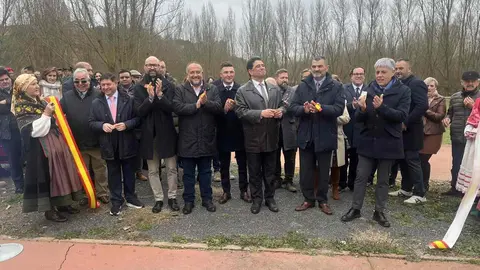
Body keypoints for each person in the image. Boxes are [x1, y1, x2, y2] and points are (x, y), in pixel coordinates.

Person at [341, 58, 411, 228]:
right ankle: (355, 208)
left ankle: (379, 211)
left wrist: (382, 108)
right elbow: (358, 119)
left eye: (383, 72)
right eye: (377, 72)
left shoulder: (404, 91)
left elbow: (402, 116)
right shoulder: (369, 89)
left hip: (389, 141)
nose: (379, 75)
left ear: (393, 72)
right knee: (361, 176)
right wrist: (363, 110)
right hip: (367, 141)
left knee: (383, 180)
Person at [13, 74, 83, 222]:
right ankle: (50, 210)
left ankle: (64, 203)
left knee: (62, 173)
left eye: (37, 83)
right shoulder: (21, 106)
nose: (37, 86)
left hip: (55, 142)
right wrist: (46, 114)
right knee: (50, 176)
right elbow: (34, 131)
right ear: (24, 88)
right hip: (41, 148)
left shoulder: (39, 101)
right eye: (32, 84)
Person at [290, 56, 345, 215]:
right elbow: (293, 107)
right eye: (314, 66)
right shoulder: (303, 86)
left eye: (320, 66)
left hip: (326, 135)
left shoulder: (336, 86)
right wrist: (304, 110)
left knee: (323, 171)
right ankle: (308, 199)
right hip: (306, 135)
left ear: (326, 67)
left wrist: (320, 108)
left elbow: (339, 109)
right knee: (306, 171)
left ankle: (322, 200)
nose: (316, 69)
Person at [235, 57, 285, 214]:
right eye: (258, 66)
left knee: (270, 171)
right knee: (255, 172)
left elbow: (283, 105)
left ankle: (270, 198)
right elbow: (240, 111)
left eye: (263, 65)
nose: (262, 68)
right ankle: (257, 199)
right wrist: (260, 113)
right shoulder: (243, 91)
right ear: (250, 71)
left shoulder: (274, 88)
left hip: (271, 136)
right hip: (253, 138)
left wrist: (280, 112)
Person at [89, 73, 144, 216]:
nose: (106, 87)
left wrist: (127, 124)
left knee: (129, 172)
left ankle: (131, 197)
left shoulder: (129, 100)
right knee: (113, 174)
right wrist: (102, 125)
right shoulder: (96, 102)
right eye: (103, 85)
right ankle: (116, 201)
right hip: (108, 144)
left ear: (116, 83)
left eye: (109, 84)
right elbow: (91, 122)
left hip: (127, 141)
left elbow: (138, 119)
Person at [173, 62, 222, 214]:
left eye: (198, 72)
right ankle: (189, 201)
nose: (195, 75)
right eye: (192, 72)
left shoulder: (211, 88)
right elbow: (177, 107)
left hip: (206, 138)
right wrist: (196, 106)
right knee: (188, 174)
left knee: (206, 172)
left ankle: (207, 199)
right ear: (187, 74)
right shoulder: (180, 89)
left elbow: (219, 108)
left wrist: (206, 103)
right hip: (187, 139)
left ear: (203, 73)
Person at [134, 56, 179, 213]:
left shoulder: (169, 86)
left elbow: (172, 108)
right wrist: (150, 98)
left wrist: (160, 96)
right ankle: (158, 199)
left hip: (166, 133)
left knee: (172, 168)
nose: (152, 68)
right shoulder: (138, 87)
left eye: (155, 65)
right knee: (152, 170)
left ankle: (172, 197)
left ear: (160, 67)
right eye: (149, 65)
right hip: (148, 135)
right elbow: (139, 111)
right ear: (144, 67)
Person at [60, 68, 109, 205]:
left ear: (89, 80)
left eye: (84, 81)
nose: (80, 83)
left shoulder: (99, 94)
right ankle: (86, 194)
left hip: (97, 140)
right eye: (77, 81)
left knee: (100, 169)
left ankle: (102, 193)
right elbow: (59, 114)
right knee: (82, 171)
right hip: (77, 142)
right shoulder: (67, 96)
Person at [389, 59, 429, 204]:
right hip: (400, 130)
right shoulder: (399, 84)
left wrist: (406, 122)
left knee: (412, 161)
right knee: (403, 160)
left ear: (409, 69)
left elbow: (422, 106)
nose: (398, 71)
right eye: (396, 68)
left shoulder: (416, 83)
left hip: (412, 129)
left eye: (401, 68)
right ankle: (406, 189)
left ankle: (420, 193)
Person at [212, 62, 250, 204]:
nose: (229, 75)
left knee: (242, 164)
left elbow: (246, 110)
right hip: (222, 131)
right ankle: (226, 191)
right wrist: (224, 109)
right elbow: (212, 111)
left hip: (239, 132)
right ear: (221, 74)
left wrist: (236, 107)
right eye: (226, 72)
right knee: (224, 165)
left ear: (234, 74)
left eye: (231, 72)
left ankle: (244, 190)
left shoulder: (241, 89)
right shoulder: (215, 89)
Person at [442, 71, 480, 196]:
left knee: (474, 166)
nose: (469, 83)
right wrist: (447, 119)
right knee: (456, 163)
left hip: (475, 138)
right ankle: (455, 188)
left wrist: (473, 106)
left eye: (472, 81)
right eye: (467, 81)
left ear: (477, 82)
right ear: (462, 82)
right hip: (457, 135)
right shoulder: (454, 97)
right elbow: (450, 113)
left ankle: (473, 193)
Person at [341, 67, 366, 191]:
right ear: (351, 76)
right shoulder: (343, 89)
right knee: (343, 157)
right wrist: (352, 105)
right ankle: (341, 183)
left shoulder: (369, 89)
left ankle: (352, 183)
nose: (358, 76)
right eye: (356, 74)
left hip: (362, 129)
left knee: (357, 159)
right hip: (346, 128)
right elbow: (340, 106)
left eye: (361, 74)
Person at [419, 77, 446, 192]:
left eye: (431, 86)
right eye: (427, 85)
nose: (429, 88)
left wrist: (424, 109)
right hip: (420, 132)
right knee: (417, 159)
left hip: (433, 134)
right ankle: (418, 183)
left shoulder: (440, 99)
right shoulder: (420, 98)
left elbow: (439, 117)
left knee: (423, 159)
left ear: (435, 87)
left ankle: (424, 184)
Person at [0, 68, 24, 193]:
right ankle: (19, 185)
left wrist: (6, 102)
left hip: (23, 128)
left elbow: (22, 102)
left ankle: (32, 182)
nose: (5, 82)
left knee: (26, 156)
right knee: (13, 159)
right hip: (6, 132)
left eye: (6, 79)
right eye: (1, 80)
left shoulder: (18, 89)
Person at [274, 69, 297, 192]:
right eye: (282, 77)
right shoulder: (272, 91)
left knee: (290, 156)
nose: (285, 80)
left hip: (289, 127)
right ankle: (277, 179)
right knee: (275, 155)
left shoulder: (293, 91)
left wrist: (281, 109)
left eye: (286, 78)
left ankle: (289, 180)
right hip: (275, 128)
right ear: (276, 78)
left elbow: (289, 106)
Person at [331, 103, 350, 200]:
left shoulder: (341, 102)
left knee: (336, 165)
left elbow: (347, 118)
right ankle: (317, 189)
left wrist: (334, 118)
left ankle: (335, 188)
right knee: (319, 166)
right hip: (322, 137)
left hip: (337, 137)